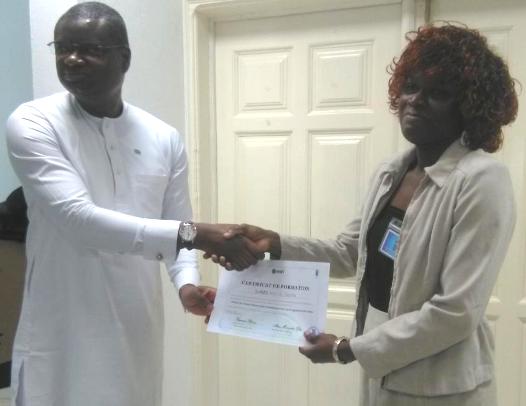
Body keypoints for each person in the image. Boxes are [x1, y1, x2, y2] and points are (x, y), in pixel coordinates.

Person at [209, 23, 518, 405]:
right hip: (382, 371)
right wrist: (274, 244)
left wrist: (347, 349)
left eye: (438, 93)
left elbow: (456, 311)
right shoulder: (392, 172)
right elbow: (351, 252)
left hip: (445, 385)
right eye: (411, 86)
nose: (415, 101)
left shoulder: (481, 180)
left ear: (470, 107)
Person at [5, 2, 259, 405]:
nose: (72, 59)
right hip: (61, 330)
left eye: (89, 49)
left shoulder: (162, 137)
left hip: (134, 327)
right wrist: (197, 235)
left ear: (124, 58)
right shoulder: (34, 122)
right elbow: (78, 220)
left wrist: (186, 283)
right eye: (63, 48)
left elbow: (177, 222)